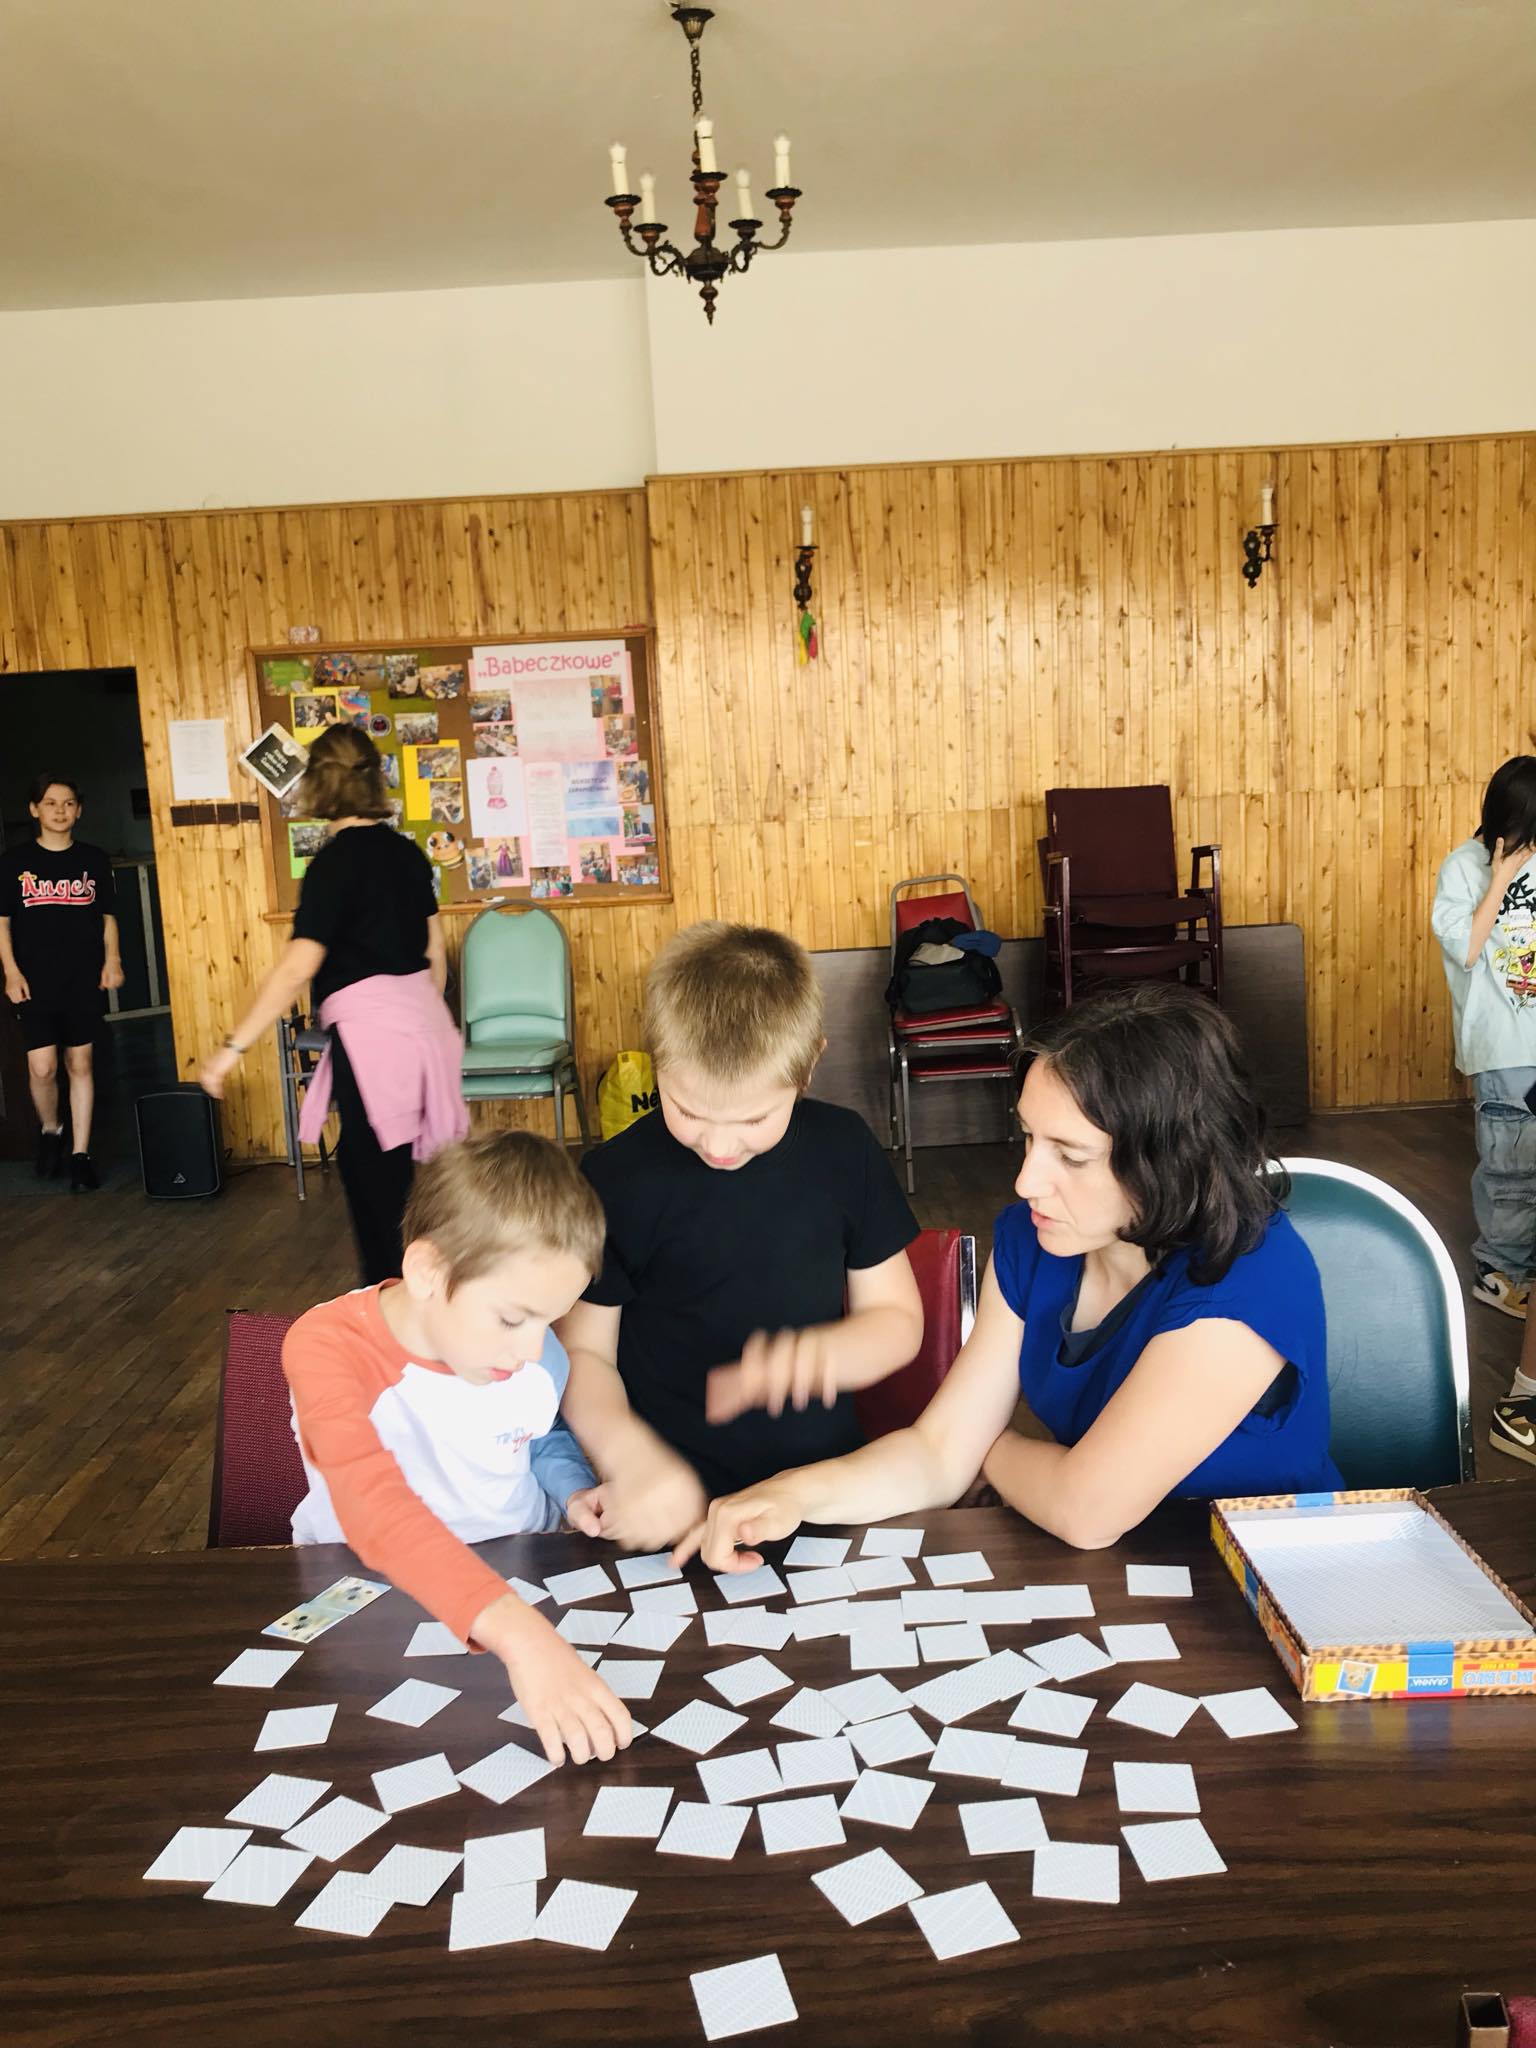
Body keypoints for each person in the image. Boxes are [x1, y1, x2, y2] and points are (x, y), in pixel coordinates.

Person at [676, 982, 1338, 1572]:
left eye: (1070, 1156)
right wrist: (789, 1494)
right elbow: (937, 1454)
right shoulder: (1034, 1239)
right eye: (1028, 1138)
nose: (1026, 1181)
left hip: (1275, 1582)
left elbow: (1084, 1510)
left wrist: (987, 1449)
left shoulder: (1253, 1277)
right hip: (1123, 1574)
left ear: (1173, 1161)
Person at [556, 921, 925, 1553]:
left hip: (818, 1492)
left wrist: (826, 1355)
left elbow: (896, 1320)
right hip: (667, 1506)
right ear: (656, 1061)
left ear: (808, 1067)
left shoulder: (845, 1151)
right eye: (688, 1111)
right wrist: (630, 1459)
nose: (720, 1145)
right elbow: (583, 1354)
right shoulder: (614, 1179)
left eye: (754, 1118)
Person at [283, 1131, 631, 1766]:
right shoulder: (326, 1346)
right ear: (428, 1272)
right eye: (512, 1319)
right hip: (369, 1588)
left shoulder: (536, 1355)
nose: (534, 1349)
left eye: (550, 1320)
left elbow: (539, 1432)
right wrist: (524, 1637)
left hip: (520, 1575)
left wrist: (574, 1489)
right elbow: (372, 1507)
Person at [200, 724, 464, 1282]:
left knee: (379, 1190)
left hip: (374, 1039)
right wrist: (417, 1018)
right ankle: (417, 1297)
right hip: (425, 1029)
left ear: (319, 784)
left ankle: (394, 1308)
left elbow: (299, 966)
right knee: (407, 1182)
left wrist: (231, 1049)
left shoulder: (332, 866)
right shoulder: (406, 854)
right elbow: (435, 953)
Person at [1432, 758, 1536, 1336]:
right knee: (1512, 1170)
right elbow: (1469, 950)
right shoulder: (1462, 867)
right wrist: (1501, 878)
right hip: (1503, 1046)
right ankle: (1501, 1274)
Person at [0, 773, 123, 1190]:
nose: (60, 811)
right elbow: (2, 924)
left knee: (80, 1063)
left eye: (68, 803)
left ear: (79, 811)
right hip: (34, 980)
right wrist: (11, 971)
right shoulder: (14, 863)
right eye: (50, 803)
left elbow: (107, 918)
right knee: (43, 1068)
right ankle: (52, 1129)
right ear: (34, 809)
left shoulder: (94, 859)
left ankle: (80, 1154)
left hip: (82, 978)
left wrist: (113, 959)